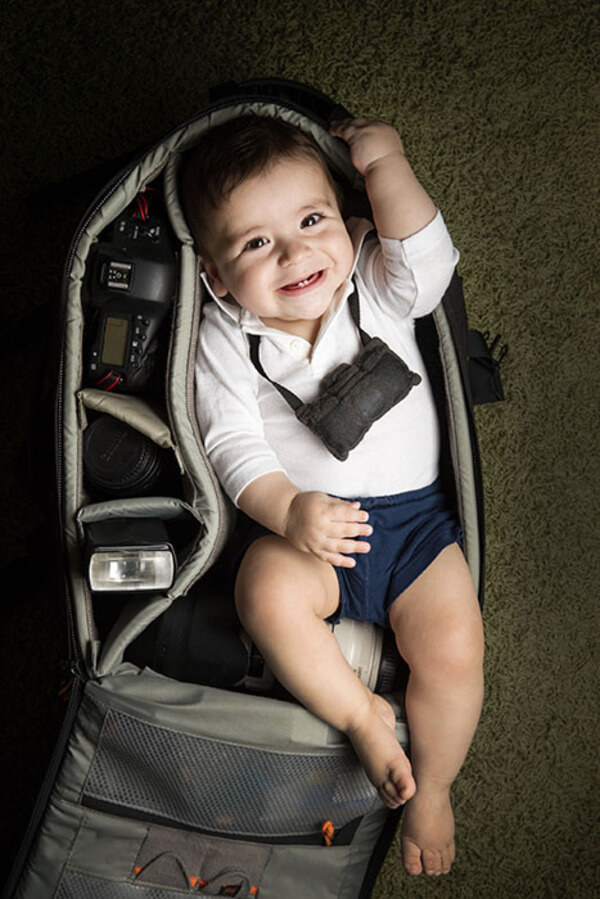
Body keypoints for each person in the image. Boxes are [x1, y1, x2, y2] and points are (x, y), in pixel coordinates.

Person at [181, 113, 484, 878]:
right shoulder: (228, 337)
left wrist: (387, 168)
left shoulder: (373, 282)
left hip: (415, 526)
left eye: (312, 220)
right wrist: (287, 510)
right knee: (263, 589)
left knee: (454, 649)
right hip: (312, 533)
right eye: (255, 244)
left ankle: (434, 787)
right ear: (217, 279)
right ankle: (362, 715)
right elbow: (229, 443)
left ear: (348, 221)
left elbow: (430, 262)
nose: (295, 252)